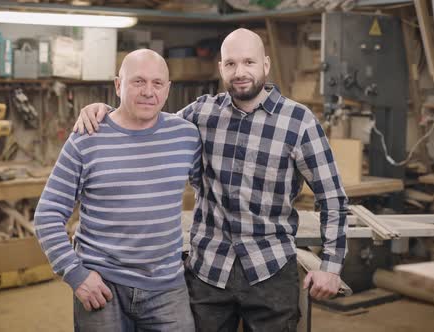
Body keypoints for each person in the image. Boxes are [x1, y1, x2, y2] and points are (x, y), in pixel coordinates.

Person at [74, 28, 349, 332]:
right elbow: (147, 123)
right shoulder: (202, 113)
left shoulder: (299, 122)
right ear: (220, 68)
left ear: (266, 65)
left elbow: (333, 198)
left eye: (249, 62)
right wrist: (105, 113)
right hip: (208, 274)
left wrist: (331, 266)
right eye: (230, 64)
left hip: (270, 271)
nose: (240, 72)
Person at [35, 49, 200, 332]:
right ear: (117, 85)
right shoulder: (86, 138)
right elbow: (47, 215)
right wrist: (76, 274)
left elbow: (213, 189)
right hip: (102, 284)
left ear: (168, 88)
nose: (149, 92)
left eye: (157, 83)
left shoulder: (186, 135)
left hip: (167, 286)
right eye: (138, 82)